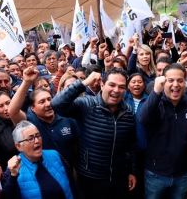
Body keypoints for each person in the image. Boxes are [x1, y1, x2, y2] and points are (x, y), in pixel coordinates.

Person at [51, 68, 137, 199]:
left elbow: (132, 144)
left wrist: (132, 171)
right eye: (112, 85)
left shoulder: (128, 112)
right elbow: (57, 104)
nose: (116, 90)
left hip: (118, 177)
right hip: (91, 177)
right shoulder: (86, 104)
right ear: (102, 84)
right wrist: (84, 83)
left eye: (121, 87)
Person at [139, 63, 187, 199]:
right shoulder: (156, 103)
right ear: (163, 81)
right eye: (170, 80)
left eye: (180, 80)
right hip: (155, 174)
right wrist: (156, 91)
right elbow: (143, 119)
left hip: (182, 174)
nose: (176, 84)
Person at [8, 66, 78, 168]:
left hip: (69, 172)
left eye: (49, 99)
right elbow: (12, 111)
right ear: (32, 108)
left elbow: (76, 147)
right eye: (42, 101)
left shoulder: (66, 116)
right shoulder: (29, 123)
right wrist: (26, 82)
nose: (48, 104)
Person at [3, 120, 78, 199]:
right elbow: (9, 195)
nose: (37, 141)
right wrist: (13, 175)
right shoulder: (14, 169)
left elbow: (73, 185)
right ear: (19, 146)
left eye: (38, 135)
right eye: (30, 138)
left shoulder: (54, 155)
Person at [124, 73, 148, 199]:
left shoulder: (149, 100)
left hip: (143, 152)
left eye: (140, 82)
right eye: (133, 82)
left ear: (144, 85)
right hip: (124, 152)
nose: (137, 84)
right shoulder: (122, 99)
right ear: (128, 85)